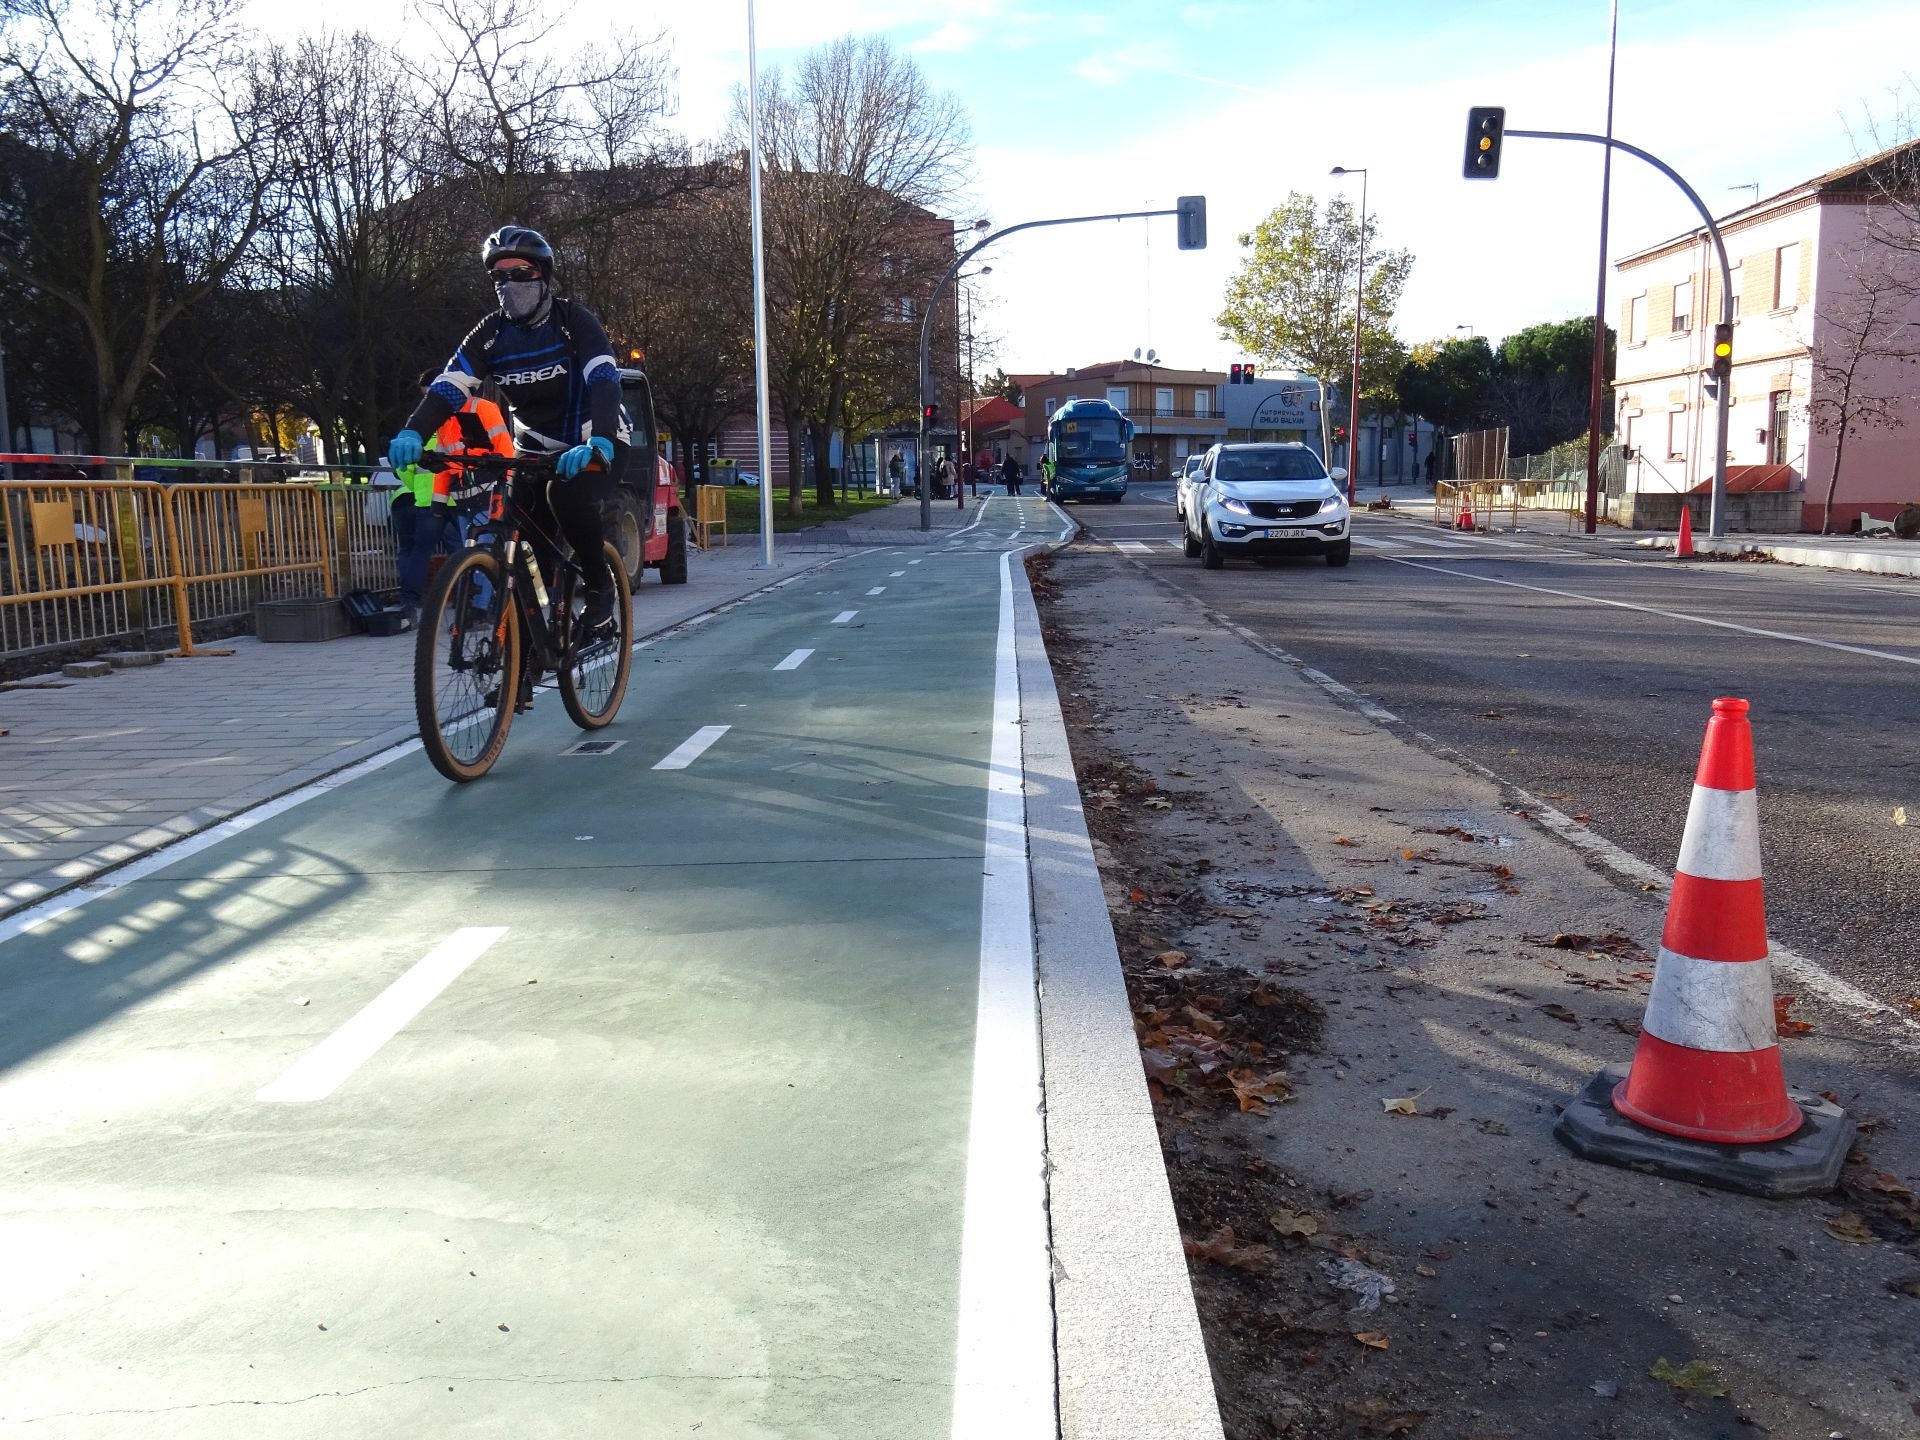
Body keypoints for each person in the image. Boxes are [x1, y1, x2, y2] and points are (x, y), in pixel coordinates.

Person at [388, 225, 625, 631]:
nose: (509, 284)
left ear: (544, 276)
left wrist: (600, 439)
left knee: (565, 495)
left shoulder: (574, 321)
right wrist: (412, 430)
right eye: (499, 276)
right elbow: (450, 386)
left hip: (594, 439)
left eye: (521, 273)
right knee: (527, 549)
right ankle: (526, 671)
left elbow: (603, 379)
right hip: (533, 448)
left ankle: (600, 585)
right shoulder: (490, 333)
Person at [390, 371, 512, 627]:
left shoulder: (483, 409)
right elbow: (444, 467)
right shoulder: (443, 422)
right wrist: (438, 503)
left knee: (482, 552)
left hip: (487, 494)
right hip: (464, 500)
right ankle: (478, 608)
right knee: (472, 554)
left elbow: (505, 452)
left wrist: (506, 489)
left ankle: (480, 609)